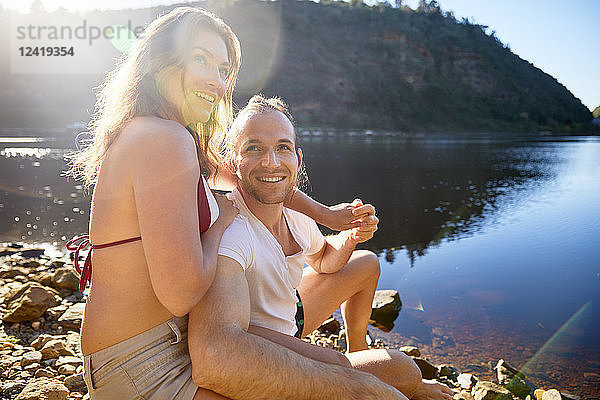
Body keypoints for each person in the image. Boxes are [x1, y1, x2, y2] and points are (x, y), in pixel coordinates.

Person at [66, 7, 371, 399]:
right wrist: (218, 227)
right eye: (200, 60)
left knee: (331, 370)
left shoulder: (161, 135)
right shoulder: (166, 140)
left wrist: (329, 216)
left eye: (224, 69)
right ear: (160, 64)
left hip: (153, 348)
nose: (216, 80)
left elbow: (263, 179)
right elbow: (180, 294)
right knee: (344, 389)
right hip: (143, 365)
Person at [187, 95, 454, 400]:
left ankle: (358, 349)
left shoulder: (294, 210)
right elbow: (223, 345)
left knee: (366, 262)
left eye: (282, 148)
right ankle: (362, 367)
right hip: (267, 347)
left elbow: (325, 260)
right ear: (233, 164)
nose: (271, 161)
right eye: (254, 148)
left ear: (298, 157)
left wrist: (351, 237)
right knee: (405, 371)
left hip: (293, 315)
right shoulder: (231, 230)